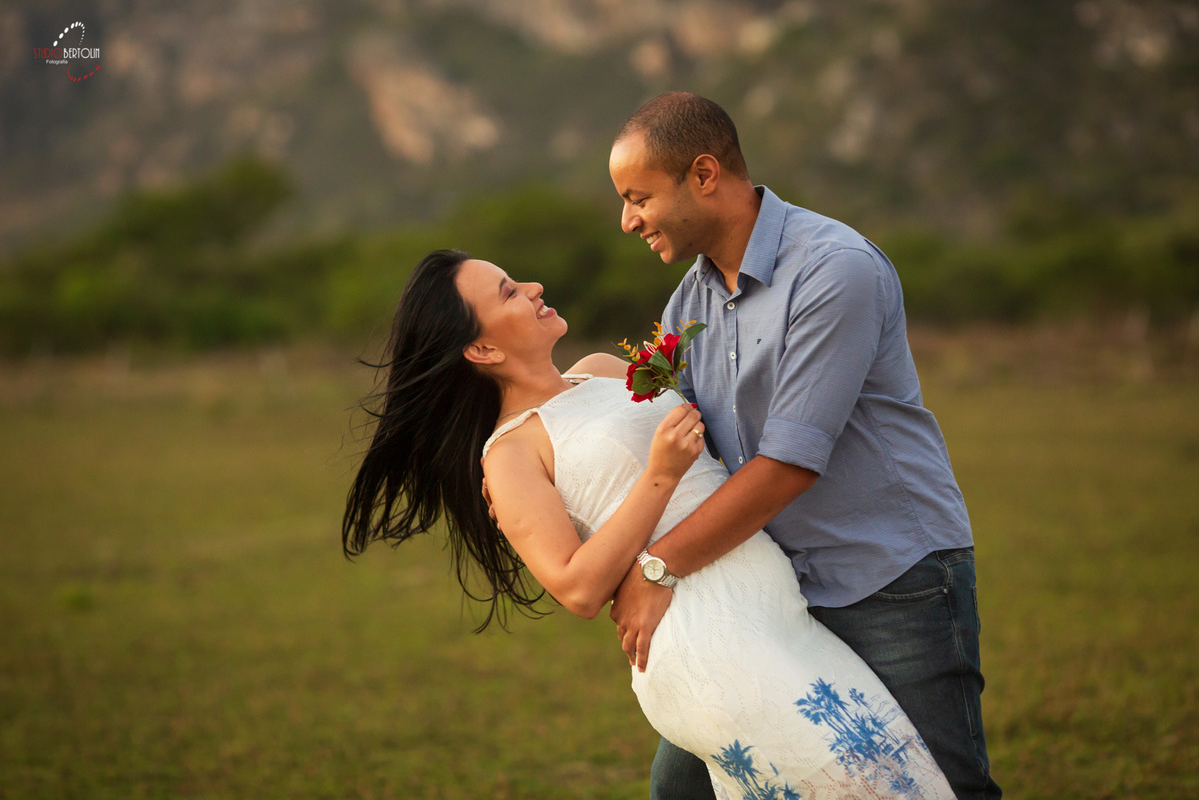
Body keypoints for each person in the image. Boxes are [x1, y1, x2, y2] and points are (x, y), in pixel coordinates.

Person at [343, 248, 957, 799]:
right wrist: (658, 476)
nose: (531, 285)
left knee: (902, 778)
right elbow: (579, 588)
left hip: (779, 613)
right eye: (507, 291)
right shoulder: (509, 455)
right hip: (706, 642)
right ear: (481, 350)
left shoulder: (605, 371)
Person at [606, 91, 1001, 800]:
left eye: (638, 197)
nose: (627, 220)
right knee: (686, 785)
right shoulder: (685, 305)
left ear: (703, 175)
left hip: (889, 577)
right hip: (770, 592)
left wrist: (656, 570)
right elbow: (679, 440)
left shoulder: (833, 267)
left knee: (941, 787)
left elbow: (788, 466)